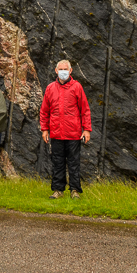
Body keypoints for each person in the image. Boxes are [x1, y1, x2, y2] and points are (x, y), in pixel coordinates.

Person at [40, 59, 91, 199]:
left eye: (65, 69)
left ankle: (74, 190)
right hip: (56, 133)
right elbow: (44, 111)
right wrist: (44, 129)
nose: (63, 72)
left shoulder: (77, 87)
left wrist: (86, 129)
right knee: (57, 163)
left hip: (73, 134)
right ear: (56, 71)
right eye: (60, 69)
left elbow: (85, 110)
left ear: (70, 71)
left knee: (74, 163)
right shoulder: (50, 88)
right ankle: (58, 190)